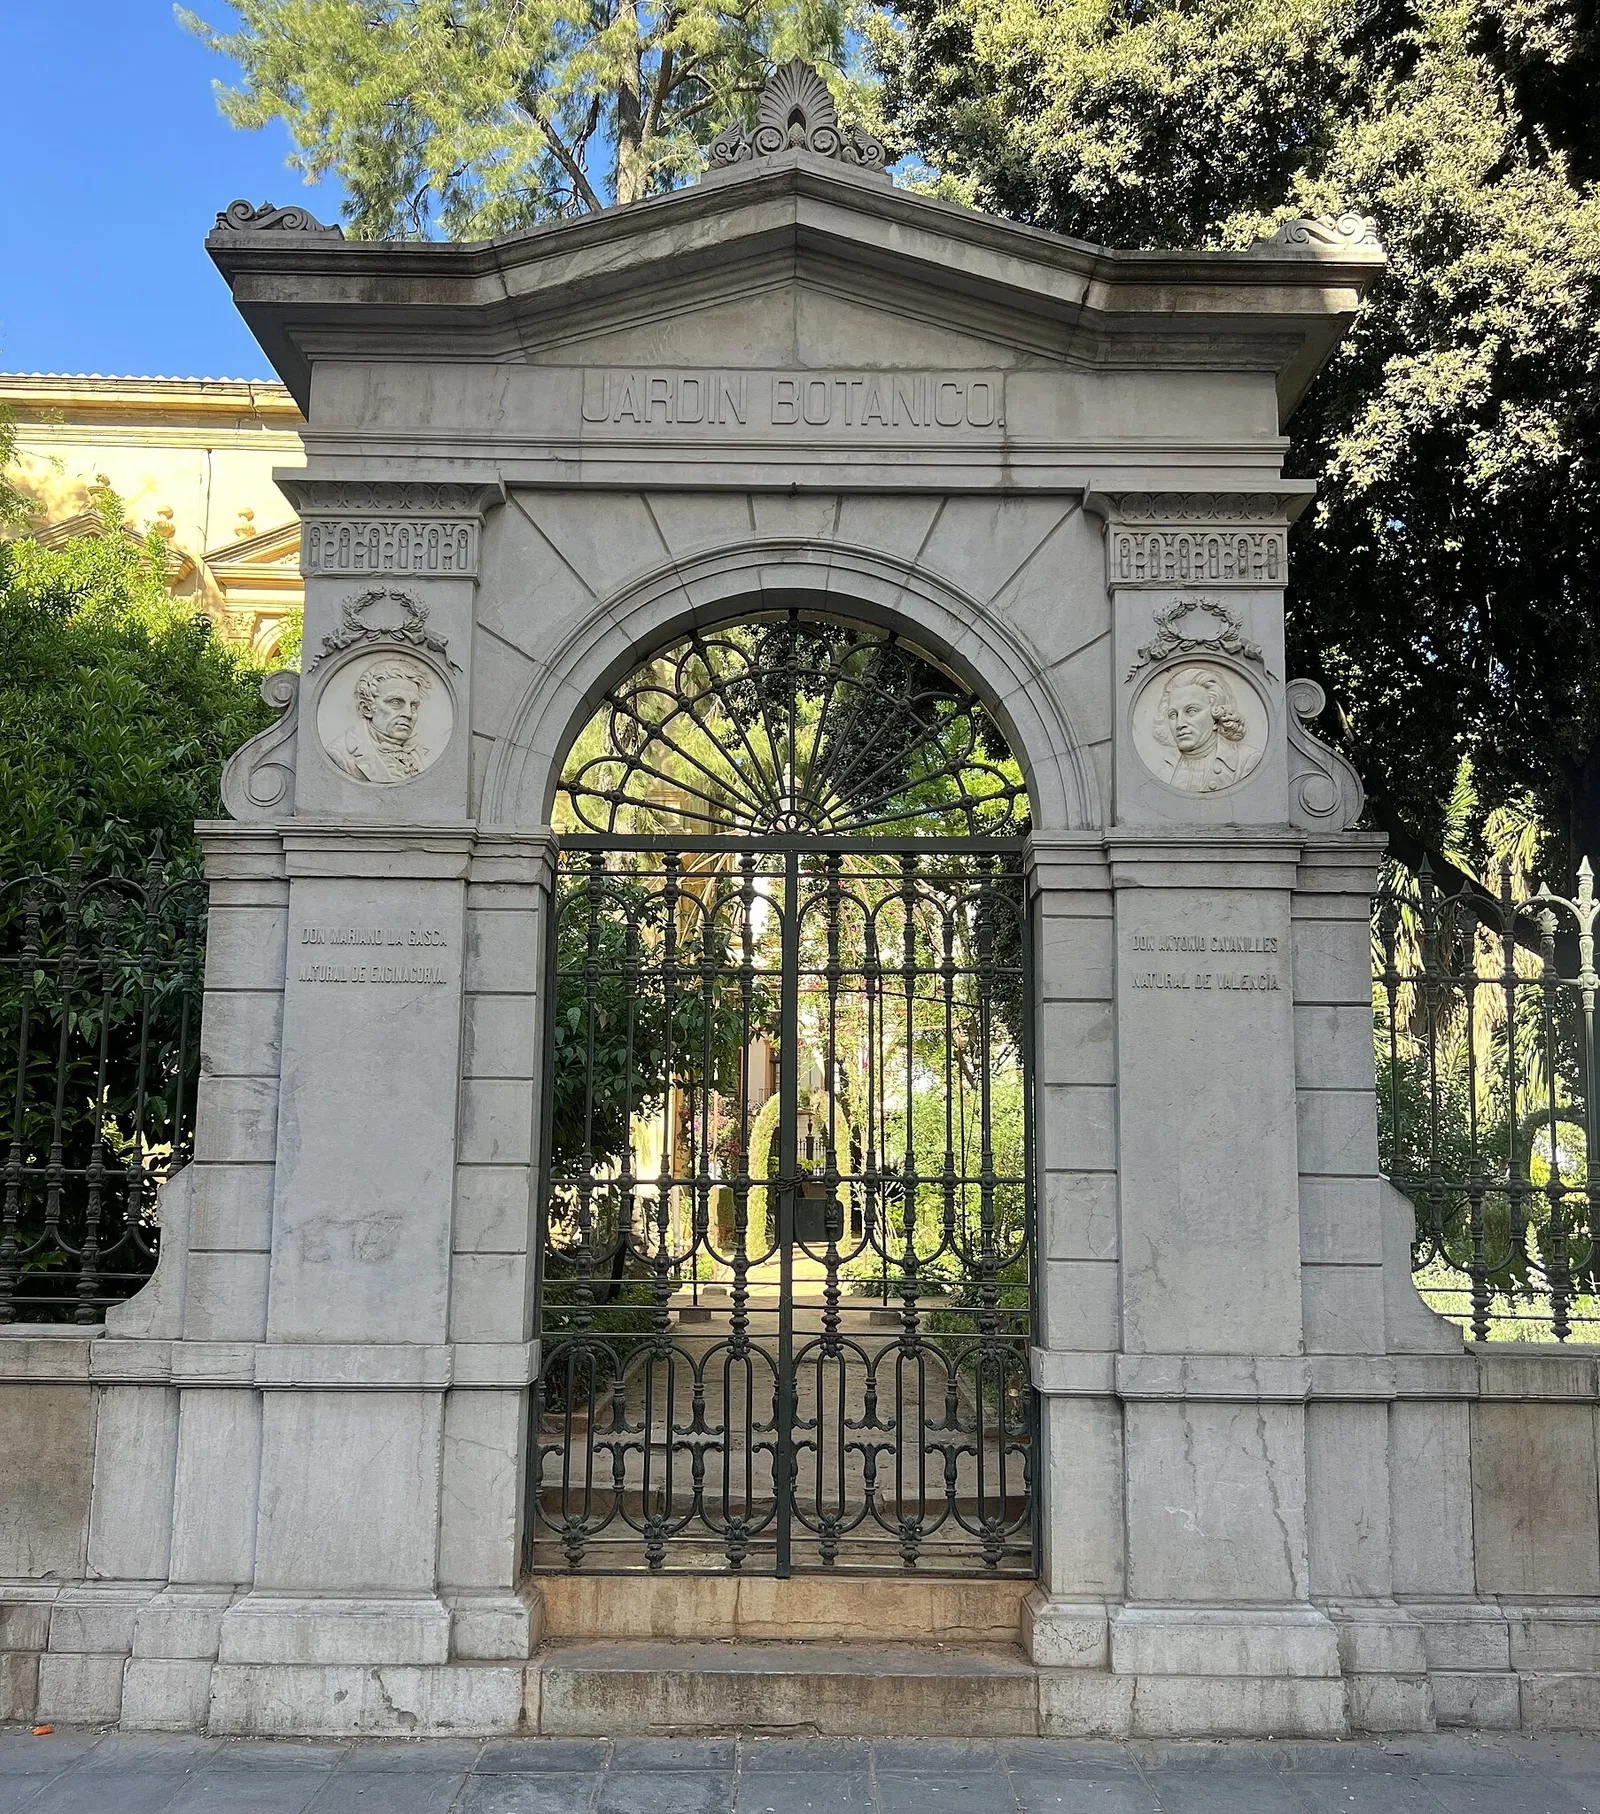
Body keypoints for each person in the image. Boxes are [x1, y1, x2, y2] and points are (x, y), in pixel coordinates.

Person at [1151, 665, 1262, 794]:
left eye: (1191, 711)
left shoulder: (1247, 761)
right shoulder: (1164, 768)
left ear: (1216, 715)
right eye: (1173, 715)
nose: (1179, 723)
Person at [326, 654, 434, 783]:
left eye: (413, 705)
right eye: (395, 703)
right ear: (366, 708)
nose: (408, 714)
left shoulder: (423, 754)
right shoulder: (341, 753)